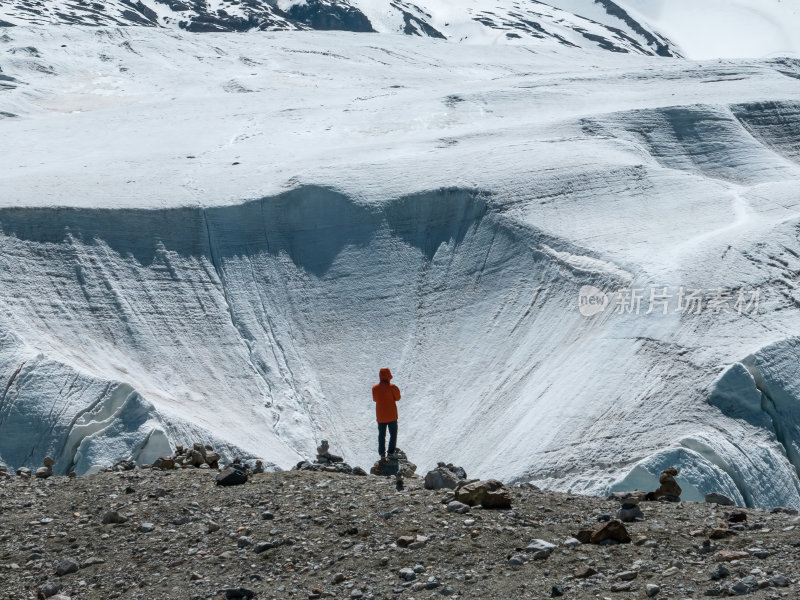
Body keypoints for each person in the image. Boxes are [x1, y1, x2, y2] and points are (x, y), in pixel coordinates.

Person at [372, 367, 400, 460]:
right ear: (389, 376)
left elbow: (375, 399)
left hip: (381, 416)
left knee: (381, 435)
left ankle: (382, 454)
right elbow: (398, 398)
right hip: (392, 415)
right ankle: (391, 453)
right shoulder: (393, 387)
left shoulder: (375, 388)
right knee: (393, 434)